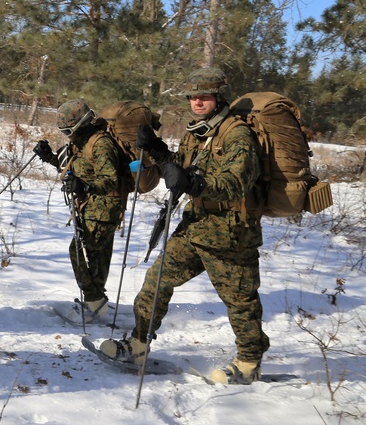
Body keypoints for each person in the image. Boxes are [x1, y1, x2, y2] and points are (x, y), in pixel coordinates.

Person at [98, 67, 268, 384]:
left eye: (204, 96)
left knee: (240, 302)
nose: (198, 101)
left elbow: (236, 183)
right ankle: (138, 344)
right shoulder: (196, 132)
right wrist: (159, 152)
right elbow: (184, 166)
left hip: (231, 233)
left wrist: (193, 183)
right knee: (156, 282)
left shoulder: (236, 135)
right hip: (195, 226)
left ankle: (249, 363)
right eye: (193, 96)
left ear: (218, 97)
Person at [35, 100, 133, 324]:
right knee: (97, 257)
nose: (68, 135)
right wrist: (50, 156)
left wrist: (86, 187)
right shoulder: (82, 142)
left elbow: (110, 180)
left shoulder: (100, 144)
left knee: (79, 252)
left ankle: (94, 300)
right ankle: (96, 304)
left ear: (82, 123)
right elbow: (76, 169)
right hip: (90, 206)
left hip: (104, 208)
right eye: (64, 132)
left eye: (69, 130)